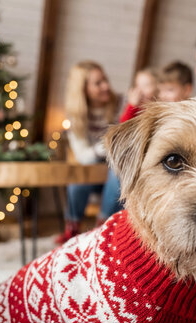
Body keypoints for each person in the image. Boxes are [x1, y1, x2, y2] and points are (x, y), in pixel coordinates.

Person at [56, 61, 123, 244]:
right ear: (83, 89)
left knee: (118, 170)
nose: (106, 86)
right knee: (78, 178)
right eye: (98, 83)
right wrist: (107, 144)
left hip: (116, 175)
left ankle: (102, 228)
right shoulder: (76, 116)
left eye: (105, 80)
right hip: (94, 173)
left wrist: (102, 148)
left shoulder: (121, 104)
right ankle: (72, 229)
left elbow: (123, 145)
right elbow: (83, 157)